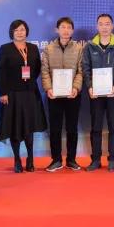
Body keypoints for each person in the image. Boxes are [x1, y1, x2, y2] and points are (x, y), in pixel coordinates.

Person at [0, 19, 48, 172]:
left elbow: (37, 68)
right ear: (12, 32)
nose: (20, 32)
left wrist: (29, 80)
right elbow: (1, 72)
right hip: (12, 94)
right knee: (15, 127)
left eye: (22, 30)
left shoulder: (33, 48)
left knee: (29, 127)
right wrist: (3, 93)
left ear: (27, 32)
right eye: (16, 30)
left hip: (30, 92)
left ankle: (30, 159)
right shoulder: (5, 48)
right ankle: (17, 159)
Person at [82, 14, 114, 172]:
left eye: (107, 24)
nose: (104, 27)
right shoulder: (90, 46)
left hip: (113, 93)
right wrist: (89, 87)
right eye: (101, 24)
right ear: (97, 26)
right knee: (96, 127)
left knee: (113, 126)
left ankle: (112, 159)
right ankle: (95, 159)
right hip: (95, 94)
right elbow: (85, 68)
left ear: (112, 26)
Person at [41, 17, 84, 172]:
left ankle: (71, 159)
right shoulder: (48, 49)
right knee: (55, 129)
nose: (66, 30)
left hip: (73, 95)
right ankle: (56, 160)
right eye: (63, 27)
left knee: (72, 128)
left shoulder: (79, 48)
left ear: (72, 30)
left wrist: (76, 88)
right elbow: (45, 71)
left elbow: (81, 71)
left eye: (68, 27)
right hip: (54, 95)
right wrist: (48, 88)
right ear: (57, 30)